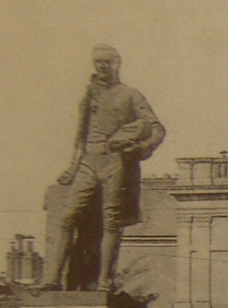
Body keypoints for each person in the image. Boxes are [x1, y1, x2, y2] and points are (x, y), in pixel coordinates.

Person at [44, 45, 166, 292]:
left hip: (116, 161)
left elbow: (157, 129)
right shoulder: (89, 97)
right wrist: (72, 166)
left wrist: (140, 148)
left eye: (106, 62)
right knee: (67, 217)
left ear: (116, 64)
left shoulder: (130, 94)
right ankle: (51, 279)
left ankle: (104, 281)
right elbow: (80, 136)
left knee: (111, 221)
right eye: (97, 62)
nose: (101, 67)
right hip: (88, 161)